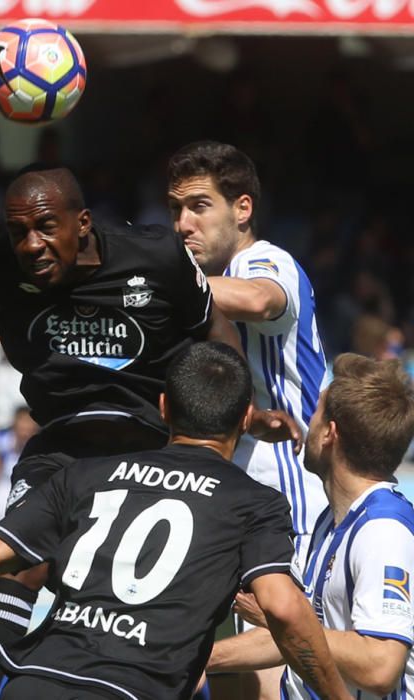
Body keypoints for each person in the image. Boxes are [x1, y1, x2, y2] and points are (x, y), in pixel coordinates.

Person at [0, 165, 298, 698]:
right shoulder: (6, 267)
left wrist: (241, 410)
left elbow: (211, 326)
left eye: (44, 228)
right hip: (62, 445)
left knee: (200, 589)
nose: (30, 245)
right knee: (15, 563)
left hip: (154, 445)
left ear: (81, 224)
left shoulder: (156, 256)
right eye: (17, 233)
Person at [0, 342, 351, 700]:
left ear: (163, 407)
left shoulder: (86, 475)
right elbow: (282, 608)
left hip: (32, 682)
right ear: (246, 418)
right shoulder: (253, 503)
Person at [167, 141, 328, 699]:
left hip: (290, 487)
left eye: (199, 206)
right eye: (176, 209)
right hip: (237, 486)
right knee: (236, 677)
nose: (183, 223)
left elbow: (260, 300)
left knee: (276, 657)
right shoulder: (205, 296)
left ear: (242, 208)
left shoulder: (264, 259)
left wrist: (148, 282)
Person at [207, 352, 414, 699]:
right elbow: (301, 641)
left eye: (314, 414)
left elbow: (380, 666)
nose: (308, 423)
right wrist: (199, 660)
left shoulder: (382, 532)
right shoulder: (331, 521)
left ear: (330, 434)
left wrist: (285, 621)